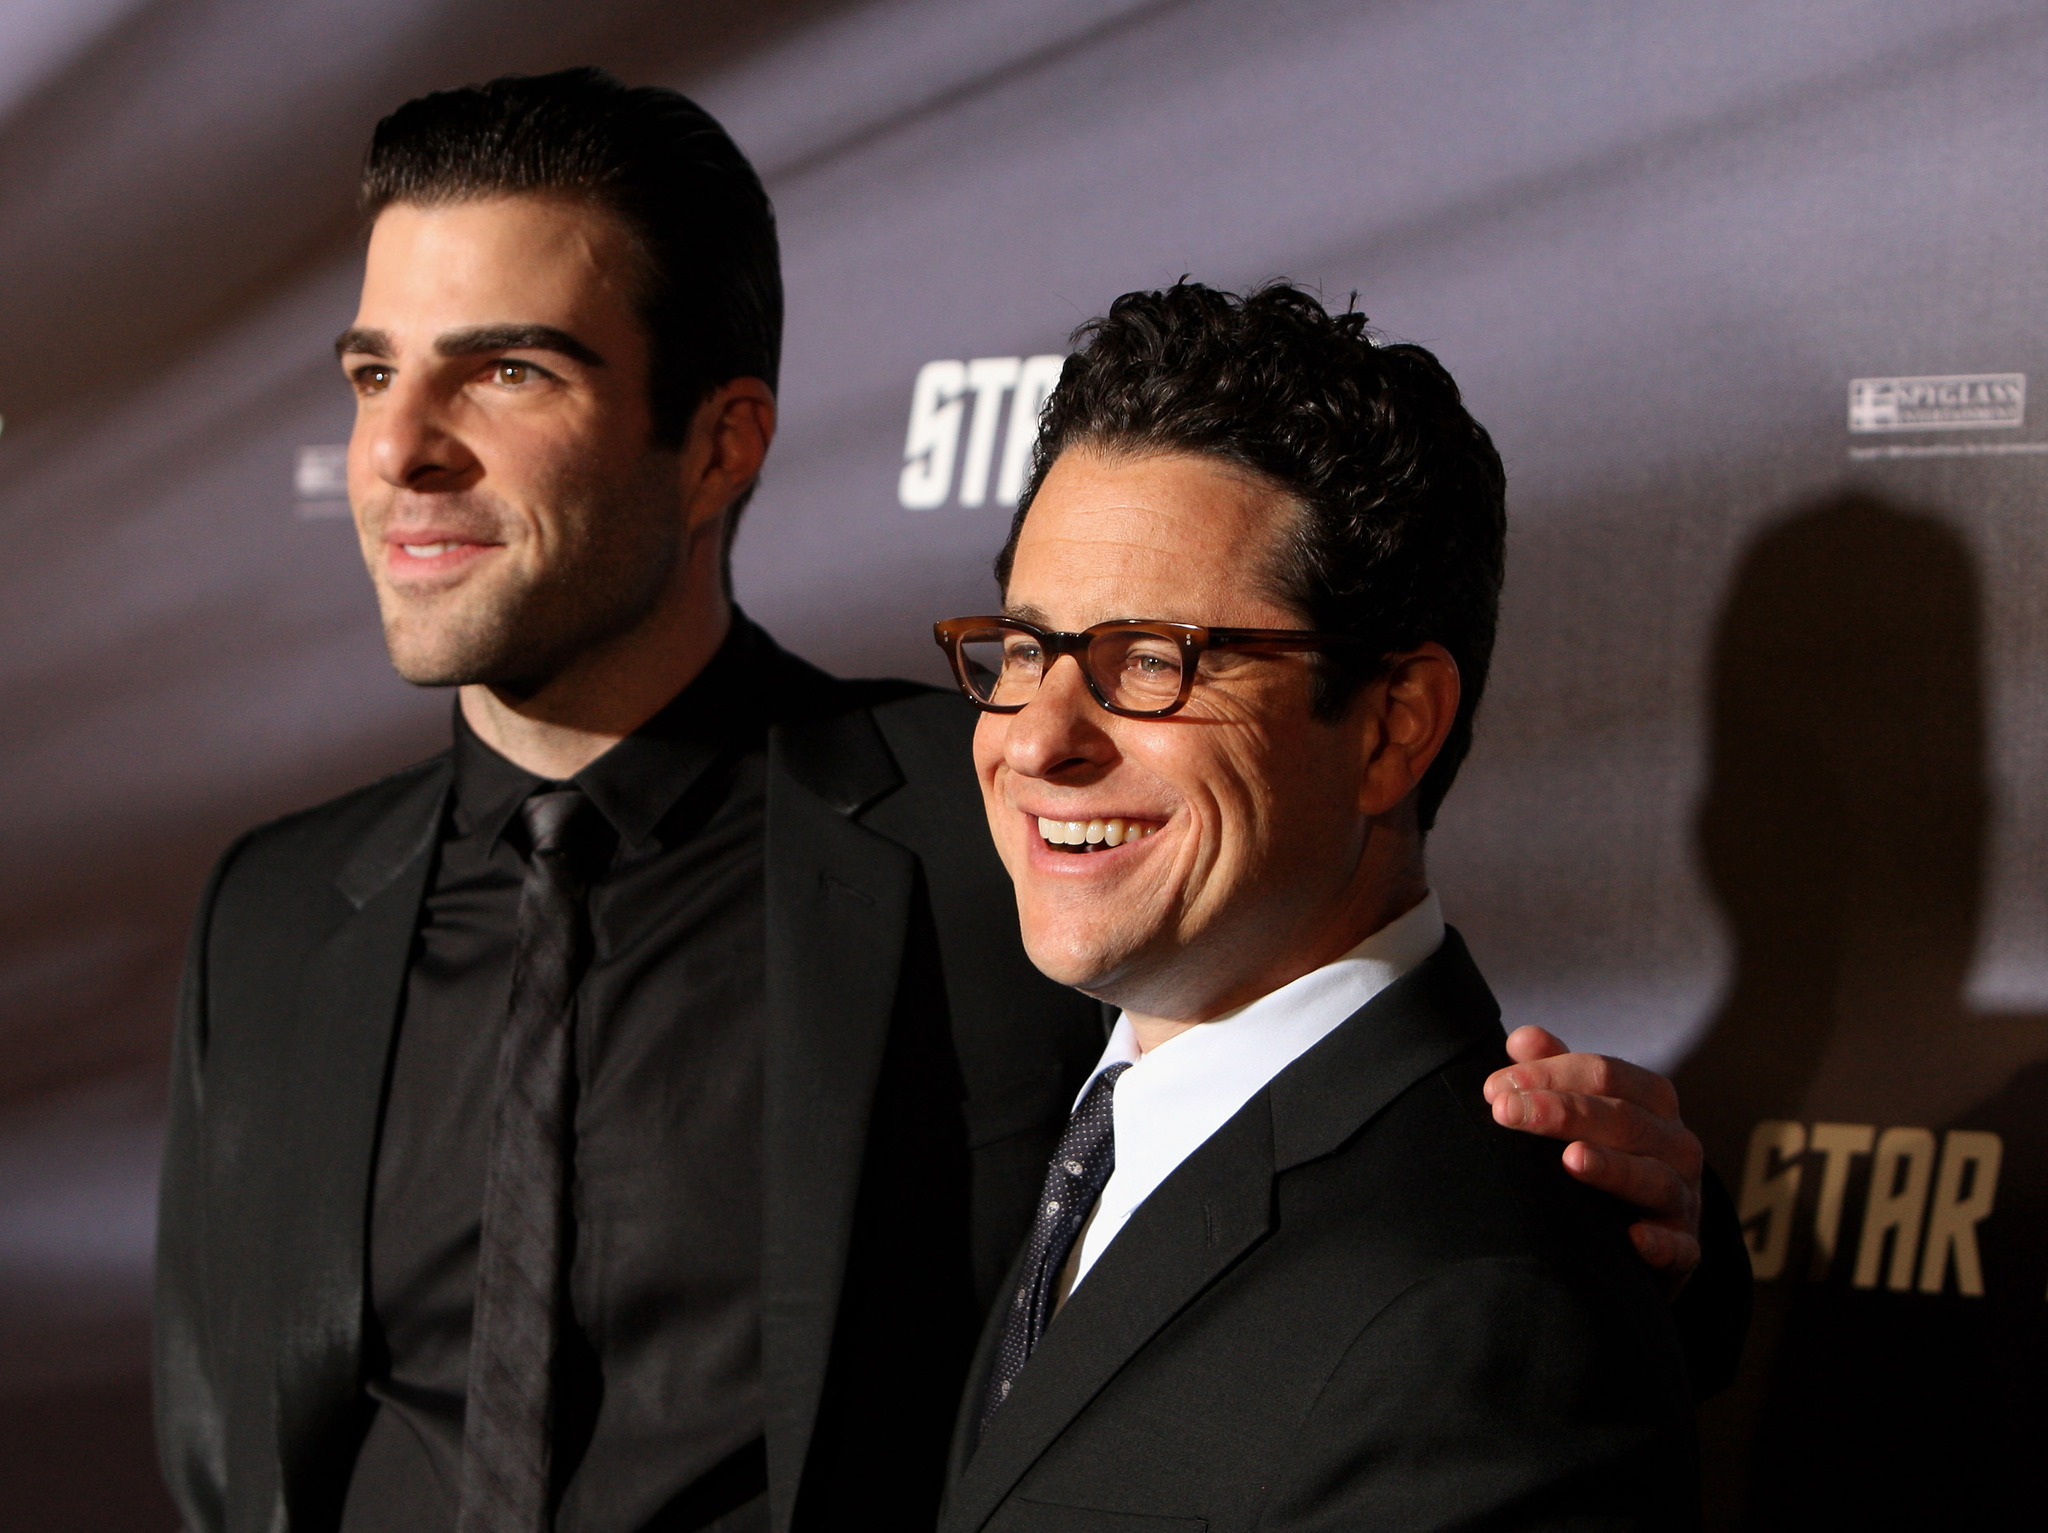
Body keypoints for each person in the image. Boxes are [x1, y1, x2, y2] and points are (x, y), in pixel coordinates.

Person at [153, 71, 1732, 1533]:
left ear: (723, 443)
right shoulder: (274, 917)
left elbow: (1333, 1140)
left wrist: (1637, 1234)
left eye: (506, 369)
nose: (402, 449)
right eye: (372, 371)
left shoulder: (991, 842)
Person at [935, 281, 1715, 1531]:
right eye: (1026, 650)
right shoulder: (1085, 1124)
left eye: (1150, 661)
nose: (1037, 740)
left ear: (1391, 727)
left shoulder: (1479, 1310)